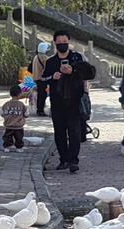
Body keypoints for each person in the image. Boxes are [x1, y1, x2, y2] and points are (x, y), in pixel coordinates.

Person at [42, 29, 96, 173]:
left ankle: (73, 160)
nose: (62, 45)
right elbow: (42, 79)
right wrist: (53, 77)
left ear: (69, 42)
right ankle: (63, 159)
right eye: (59, 43)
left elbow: (90, 73)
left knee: (74, 132)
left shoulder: (78, 58)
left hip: (75, 101)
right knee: (59, 133)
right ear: (54, 43)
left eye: (64, 42)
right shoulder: (51, 62)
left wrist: (73, 71)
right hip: (57, 102)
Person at [1, 85, 27, 152]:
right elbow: (26, 114)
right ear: (19, 94)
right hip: (18, 126)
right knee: (19, 137)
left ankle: (7, 147)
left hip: (8, 125)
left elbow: (2, 113)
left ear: (10, 94)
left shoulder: (6, 104)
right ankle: (19, 147)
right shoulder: (21, 104)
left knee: (7, 137)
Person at [32, 42, 50, 116]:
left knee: (40, 94)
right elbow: (47, 69)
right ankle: (40, 110)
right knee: (43, 95)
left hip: (36, 78)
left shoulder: (36, 57)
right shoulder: (45, 58)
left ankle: (39, 109)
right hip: (42, 79)